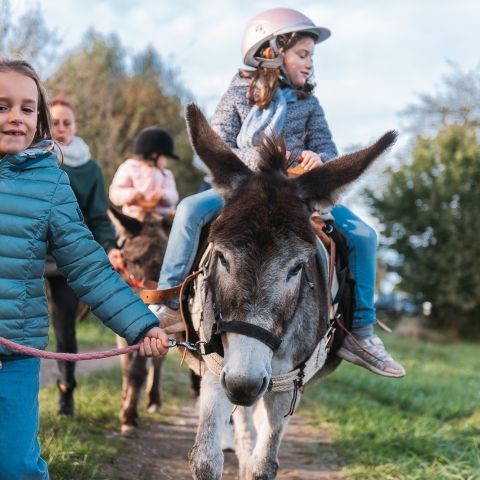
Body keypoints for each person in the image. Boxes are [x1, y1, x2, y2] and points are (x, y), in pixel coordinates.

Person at [152, 8, 405, 378]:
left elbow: (328, 151)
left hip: (295, 192)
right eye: (302, 54)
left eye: (311, 57)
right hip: (240, 187)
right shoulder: (239, 93)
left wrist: (318, 159)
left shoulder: (309, 104)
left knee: (364, 235)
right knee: (190, 210)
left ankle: (360, 331)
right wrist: (269, 155)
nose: (309, 64)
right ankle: (170, 303)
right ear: (271, 51)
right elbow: (219, 145)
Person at [0, 58, 169, 480]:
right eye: (2, 106)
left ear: (39, 120)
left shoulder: (51, 184)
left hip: (14, 352)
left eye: (26, 108)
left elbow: (89, 267)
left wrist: (139, 324)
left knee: (14, 464)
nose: (15, 117)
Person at [47, 97, 123, 416]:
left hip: (66, 257)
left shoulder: (90, 169)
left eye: (67, 122)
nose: (61, 128)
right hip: (30, 253)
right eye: (55, 123)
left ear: (75, 126)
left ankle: (66, 393)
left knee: (65, 328)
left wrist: (111, 247)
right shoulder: (36, 159)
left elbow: (97, 215)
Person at [109, 126, 179, 221]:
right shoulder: (129, 167)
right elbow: (115, 192)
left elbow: (174, 196)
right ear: (153, 155)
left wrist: (163, 195)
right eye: (165, 157)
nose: (166, 162)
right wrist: (131, 194)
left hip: (161, 217)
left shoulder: (166, 174)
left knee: (175, 221)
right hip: (134, 217)